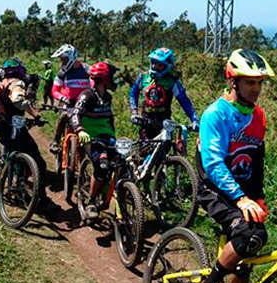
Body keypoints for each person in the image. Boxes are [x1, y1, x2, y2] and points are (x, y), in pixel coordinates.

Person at [194, 49, 275, 283]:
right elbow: (213, 164)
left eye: (259, 83)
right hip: (213, 189)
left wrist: (258, 197)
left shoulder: (258, 117)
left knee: (252, 244)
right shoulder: (215, 114)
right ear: (233, 82)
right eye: (249, 82)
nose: (256, 89)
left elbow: (256, 160)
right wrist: (240, 199)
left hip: (242, 190)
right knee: (247, 234)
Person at [70, 61, 118, 219]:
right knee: (102, 165)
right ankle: (90, 201)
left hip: (107, 137)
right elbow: (75, 114)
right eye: (111, 78)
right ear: (104, 80)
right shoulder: (87, 95)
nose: (113, 81)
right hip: (91, 137)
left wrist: (114, 137)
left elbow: (110, 118)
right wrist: (80, 130)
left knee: (122, 164)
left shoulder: (108, 97)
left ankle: (112, 195)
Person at [0, 58, 46, 177]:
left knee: (8, 145)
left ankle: (4, 171)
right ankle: (31, 182)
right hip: (16, 121)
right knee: (32, 150)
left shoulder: (2, 83)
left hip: (1, 121)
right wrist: (36, 116)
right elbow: (19, 101)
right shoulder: (18, 83)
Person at [128, 47, 199, 139]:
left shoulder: (172, 81)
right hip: (145, 121)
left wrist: (194, 119)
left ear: (167, 66)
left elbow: (185, 101)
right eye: (153, 63)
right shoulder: (143, 77)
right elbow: (133, 93)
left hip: (165, 124)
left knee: (164, 149)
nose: (155, 66)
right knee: (144, 150)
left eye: (159, 65)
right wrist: (134, 111)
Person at [48, 44, 90, 153]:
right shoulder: (62, 73)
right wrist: (64, 99)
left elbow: (94, 81)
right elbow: (54, 90)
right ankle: (55, 141)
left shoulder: (86, 69)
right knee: (63, 116)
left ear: (71, 57)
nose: (62, 63)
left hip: (83, 105)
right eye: (61, 60)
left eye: (64, 60)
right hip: (68, 104)